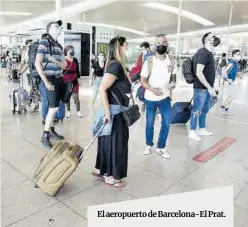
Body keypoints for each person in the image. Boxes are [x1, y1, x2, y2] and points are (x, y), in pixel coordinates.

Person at [92, 36, 131, 188]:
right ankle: (111, 176)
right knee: (117, 143)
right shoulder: (115, 65)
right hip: (114, 111)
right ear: (118, 47)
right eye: (125, 45)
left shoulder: (117, 64)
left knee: (107, 141)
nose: (127, 47)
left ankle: (103, 170)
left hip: (114, 109)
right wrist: (108, 113)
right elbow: (102, 88)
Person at [140, 34, 176, 159]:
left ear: (168, 44)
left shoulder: (171, 60)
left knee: (166, 123)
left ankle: (161, 147)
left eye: (164, 42)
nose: (162, 45)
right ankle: (148, 144)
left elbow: (173, 77)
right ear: (155, 46)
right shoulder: (149, 61)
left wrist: (172, 84)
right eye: (159, 42)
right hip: (150, 98)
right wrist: (152, 89)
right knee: (150, 123)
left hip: (165, 98)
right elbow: (142, 80)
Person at [35, 20, 67, 149]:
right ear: (49, 30)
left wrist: (55, 61)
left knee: (56, 106)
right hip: (50, 79)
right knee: (53, 108)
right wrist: (46, 82)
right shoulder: (44, 42)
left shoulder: (59, 46)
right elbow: (38, 63)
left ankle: (51, 130)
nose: (58, 27)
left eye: (59, 26)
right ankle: (45, 135)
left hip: (59, 79)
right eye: (55, 26)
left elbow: (64, 65)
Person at [189, 32, 220, 141]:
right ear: (206, 40)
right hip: (201, 88)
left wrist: (212, 86)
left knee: (205, 109)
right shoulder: (203, 53)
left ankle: (201, 128)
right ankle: (192, 131)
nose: (215, 38)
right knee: (196, 109)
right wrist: (209, 87)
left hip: (207, 88)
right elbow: (198, 72)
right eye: (212, 37)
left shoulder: (209, 53)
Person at [63, 45, 82, 118]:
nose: (73, 51)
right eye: (71, 50)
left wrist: (79, 80)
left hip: (74, 79)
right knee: (67, 96)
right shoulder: (63, 59)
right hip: (66, 80)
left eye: (73, 50)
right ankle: (68, 111)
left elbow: (77, 70)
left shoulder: (75, 60)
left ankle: (78, 111)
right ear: (67, 51)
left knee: (76, 96)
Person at [220, 49, 241, 115]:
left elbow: (233, 72)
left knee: (230, 95)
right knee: (233, 95)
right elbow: (224, 71)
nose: (239, 56)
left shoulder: (235, 63)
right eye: (238, 54)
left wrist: (238, 75)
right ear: (234, 55)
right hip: (229, 81)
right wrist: (227, 79)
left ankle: (226, 109)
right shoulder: (232, 62)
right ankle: (222, 107)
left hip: (232, 81)